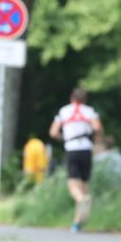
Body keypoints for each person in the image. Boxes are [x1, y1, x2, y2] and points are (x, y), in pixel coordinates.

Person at [49, 87, 102, 233]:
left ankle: (80, 201)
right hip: (86, 149)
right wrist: (97, 143)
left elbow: (53, 132)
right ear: (85, 99)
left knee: (74, 186)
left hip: (72, 149)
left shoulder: (64, 111)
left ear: (72, 98)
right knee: (84, 186)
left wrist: (64, 137)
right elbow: (97, 127)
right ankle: (77, 223)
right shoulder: (90, 111)